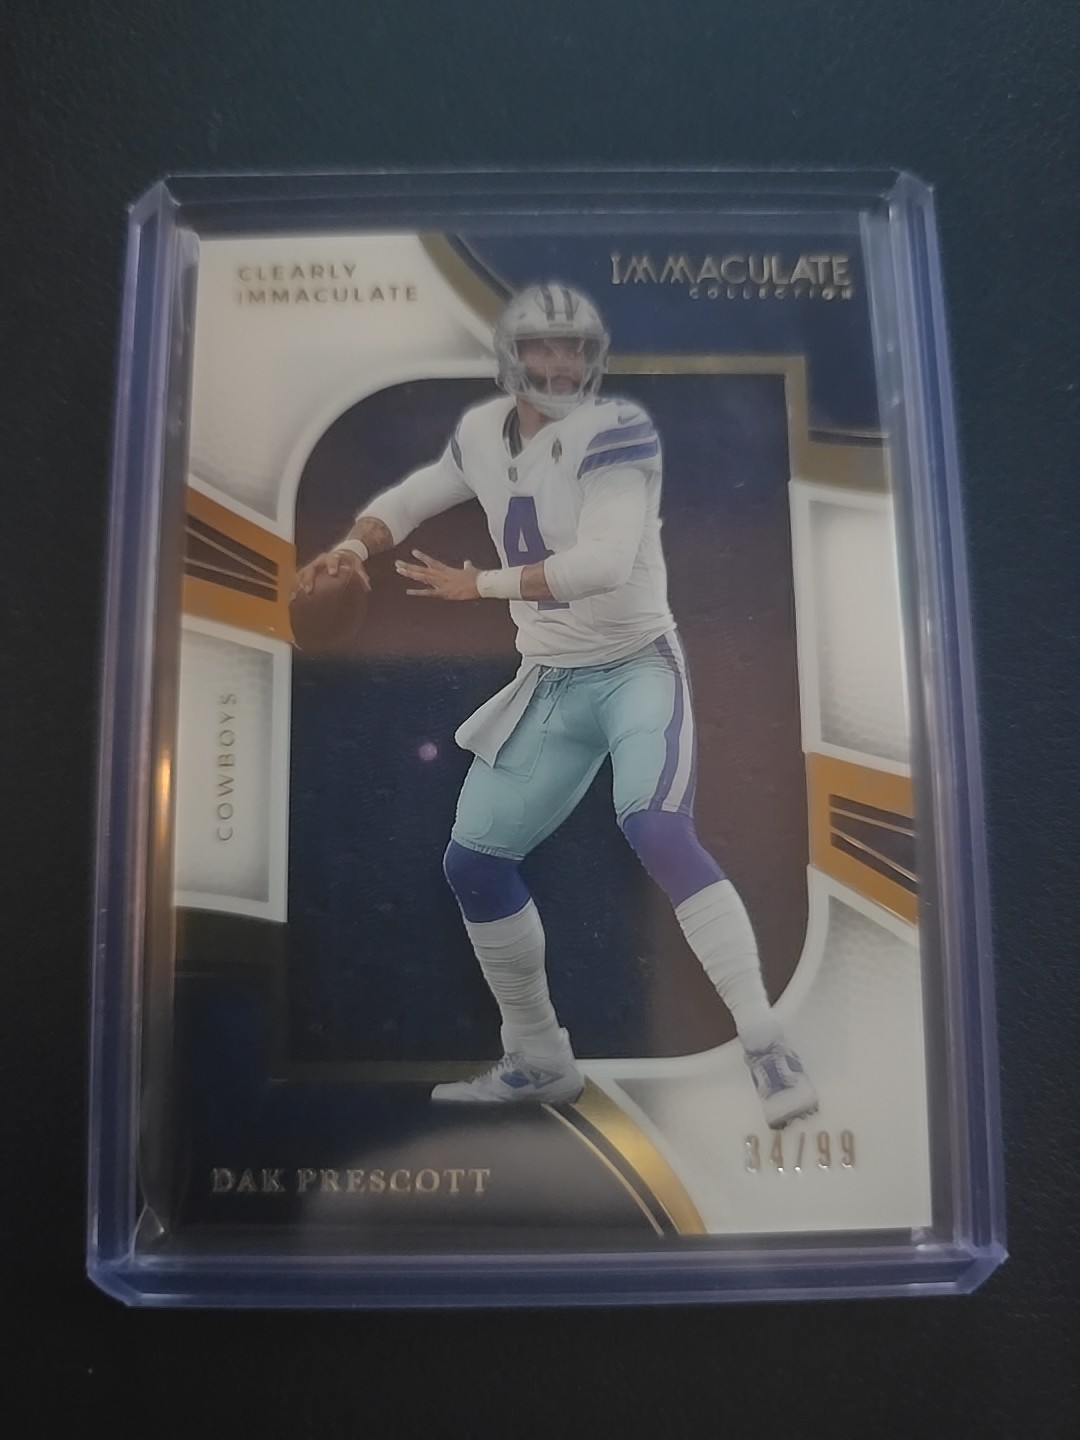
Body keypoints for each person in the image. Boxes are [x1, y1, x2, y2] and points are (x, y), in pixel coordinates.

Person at [294, 282, 818, 1129]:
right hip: (550, 680)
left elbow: (604, 564)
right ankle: (540, 1057)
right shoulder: (480, 432)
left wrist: (479, 586)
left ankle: (766, 1041)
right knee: (473, 865)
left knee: (655, 827)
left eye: (576, 347)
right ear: (512, 356)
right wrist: (352, 546)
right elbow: (418, 495)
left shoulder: (618, 431)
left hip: (635, 666)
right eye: (546, 346)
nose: (564, 362)